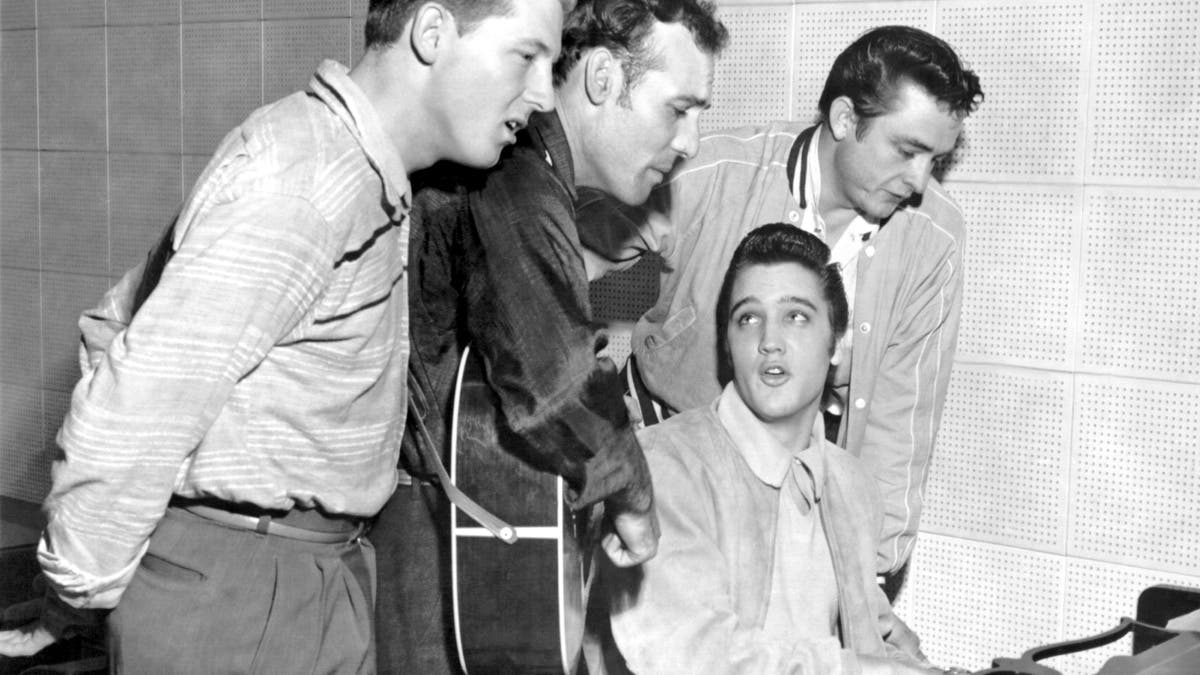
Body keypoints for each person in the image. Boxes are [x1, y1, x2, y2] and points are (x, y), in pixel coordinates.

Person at [0, 0, 567, 671]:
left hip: (312, 575)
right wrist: (75, 590)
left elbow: (125, 316)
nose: (541, 95)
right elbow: (136, 404)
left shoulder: (363, 176)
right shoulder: (305, 175)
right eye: (527, 57)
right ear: (433, 32)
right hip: (242, 596)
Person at [371, 0, 728, 672]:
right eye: (679, 109)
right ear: (600, 78)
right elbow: (556, 381)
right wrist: (637, 500)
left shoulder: (528, 174)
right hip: (413, 545)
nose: (690, 142)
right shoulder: (517, 171)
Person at [583, 24, 985, 578]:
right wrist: (588, 414)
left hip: (793, 504)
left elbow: (901, 425)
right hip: (657, 465)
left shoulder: (934, 237)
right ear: (845, 120)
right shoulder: (713, 175)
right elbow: (554, 258)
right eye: (907, 151)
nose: (919, 182)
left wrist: (868, 577)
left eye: (934, 160)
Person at [597, 224, 942, 675]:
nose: (769, 341)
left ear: (837, 342)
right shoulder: (663, 467)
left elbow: (870, 628)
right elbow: (694, 657)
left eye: (796, 316)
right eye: (748, 318)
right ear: (727, 343)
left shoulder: (853, 485)